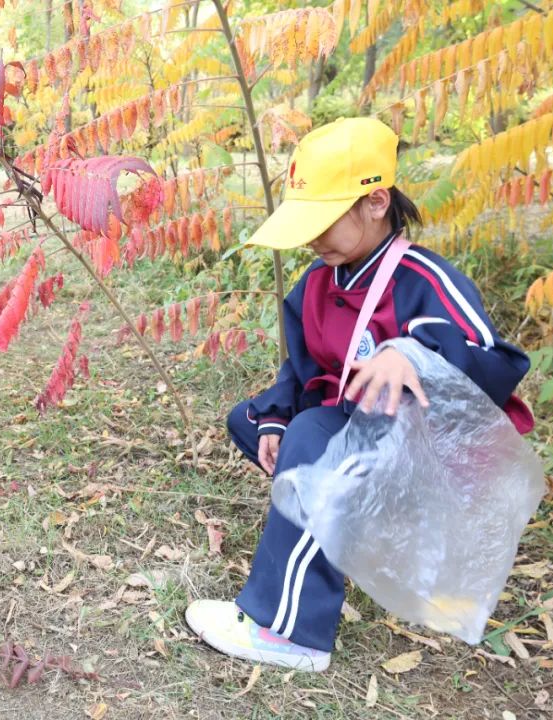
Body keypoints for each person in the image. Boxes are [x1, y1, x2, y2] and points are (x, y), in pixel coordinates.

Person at [184, 117, 533, 672]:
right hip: (353, 424)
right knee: (260, 424)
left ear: (375, 202)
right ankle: (333, 532)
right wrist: (274, 420)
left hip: (421, 456)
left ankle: (289, 629)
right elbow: (301, 370)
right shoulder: (322, 282)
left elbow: (495, 359)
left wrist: (410, 352)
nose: (313, 237)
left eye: (323, 221)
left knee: (312, 449)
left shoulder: (422, 279)